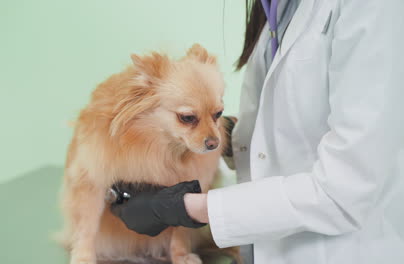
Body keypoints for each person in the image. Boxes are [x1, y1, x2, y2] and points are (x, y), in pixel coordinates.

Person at [111, 0, 404, 263]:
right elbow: (287, 127)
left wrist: (182, 208)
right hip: (263, 246)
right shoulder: (279, 9)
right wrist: (217, 137)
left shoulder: (374, 7)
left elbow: (345, 190)